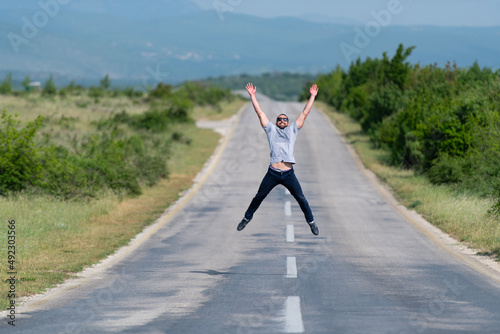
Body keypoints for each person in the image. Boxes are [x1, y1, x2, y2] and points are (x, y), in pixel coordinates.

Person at [237, 82, 319, 235]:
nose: (282, 121)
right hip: (273, 173)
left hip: (288, 174)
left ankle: (311, 222)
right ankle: (246, 218)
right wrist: (253, 96)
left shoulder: (293, 130)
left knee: (301, 198)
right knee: (259, 196)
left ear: (288, 123)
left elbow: (304, 113)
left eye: (285, 119)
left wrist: (312, 96)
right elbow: (260, 113)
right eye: (279, 119)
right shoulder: (271, 130)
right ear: (276, 123)